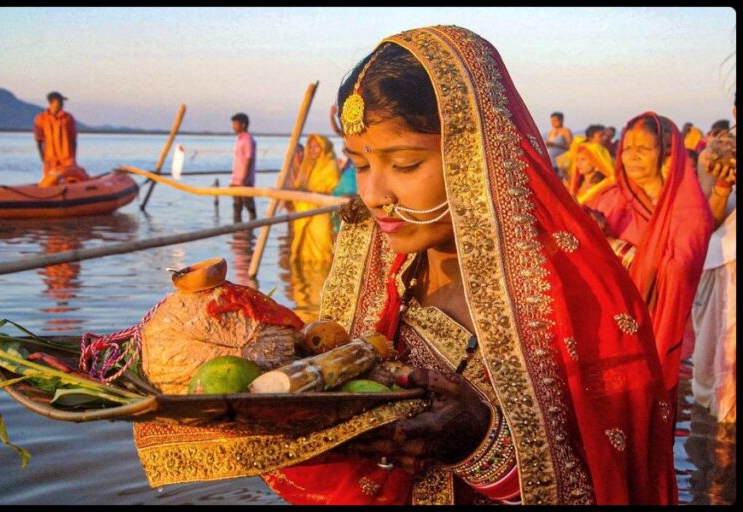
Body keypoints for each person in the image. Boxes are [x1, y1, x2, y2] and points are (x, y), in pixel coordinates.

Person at [132, 26, 677, 506]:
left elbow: (615, 480)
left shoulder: (571, 289)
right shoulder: (382, 264)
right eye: (360, 163)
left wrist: (481, 443)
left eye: (405, 163)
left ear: (477, 153)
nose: (373, 194)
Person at [583, 112, 714, 419]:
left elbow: (677, 273)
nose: (633, 156)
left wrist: (613, 245)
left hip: (654, 335)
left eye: (645, 147)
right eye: (627, 148)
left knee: (645, 423)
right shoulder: (605, 198)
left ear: (666, 152)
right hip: (604, 335)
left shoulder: (688, 210)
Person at [691, 99, 736, 424]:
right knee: (719, 376)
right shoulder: (718, 153)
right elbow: (709, 221)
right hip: (726, 265)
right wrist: (722, 186)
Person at [289, 133, 340, 262]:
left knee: (322, 250)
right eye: (311, 147)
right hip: (304, 212)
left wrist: (311, 193)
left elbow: (333, 191)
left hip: (321, 213)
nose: (313, 150)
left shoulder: (331, 165)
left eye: (317, 147)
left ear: (324, 147)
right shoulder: (307, 166)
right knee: (304, 252)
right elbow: (299, 187)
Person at [33, 91, 89, 187]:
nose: (63, 104)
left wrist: (73, 155)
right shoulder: (41, 118)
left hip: (67, 156)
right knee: (49, 182)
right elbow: (39, 140)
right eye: (60, 101)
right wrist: (42, 157)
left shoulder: (68, 118)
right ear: (53, 102)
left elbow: (73, 138)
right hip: (50, 158)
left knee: (72, 180)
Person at [229, 112, 257, 223]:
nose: (233, 126)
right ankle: (237, 234)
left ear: (243, 125)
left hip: (244, 180)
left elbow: (248, 159)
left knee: (249, 205)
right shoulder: (239, 139)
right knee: (236, 207)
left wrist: (244, 180)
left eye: (235, 124)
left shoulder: (247, 140)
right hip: (236, 179)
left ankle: (252, 231)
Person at [545, 112, 572, 178]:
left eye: (555, 120)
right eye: (552, 121)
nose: (553, 122)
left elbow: (570, 147)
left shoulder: (566, 131)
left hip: (561, 162)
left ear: (561, 120)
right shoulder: (550, 132)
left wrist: (555, 145)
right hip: (551, 161)